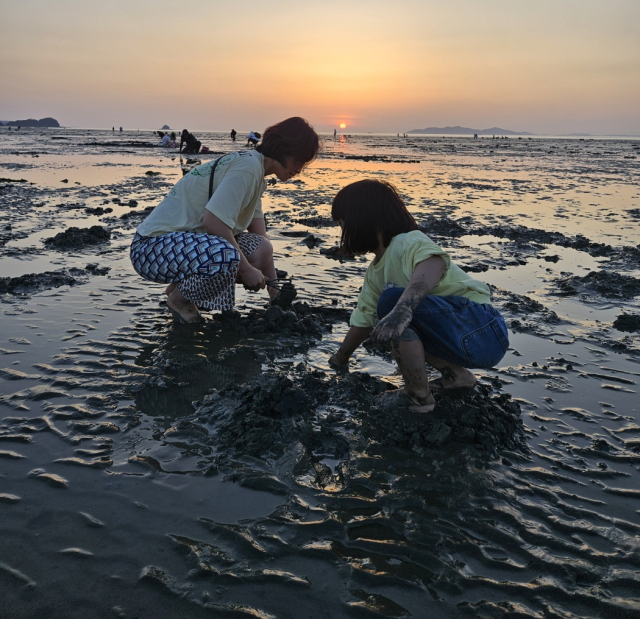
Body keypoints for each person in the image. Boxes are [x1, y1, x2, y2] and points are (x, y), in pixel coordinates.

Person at [328, 180, 508, 413]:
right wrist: (340, 358)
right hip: (458, 338)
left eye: (344, 226)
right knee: (393, 315)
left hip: (481, 326)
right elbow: (364, 321)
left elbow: (433, 263)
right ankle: (457, 377)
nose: (343, 235)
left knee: (392, 303)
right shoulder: (375, 273)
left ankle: (418, 394)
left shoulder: (408, 241)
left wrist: (403, 309)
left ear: (364, 219)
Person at [130, 117, 320, 323]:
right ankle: (180, 300)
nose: (299, 169)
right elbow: (213, 222)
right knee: (226, 256)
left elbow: (261, 241)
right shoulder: (247, 167)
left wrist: (275, 293)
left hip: (180, 248)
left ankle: (180, 288)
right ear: (285, 148)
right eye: (299, 160)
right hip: (150, 248)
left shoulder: (256, 173)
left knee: (261, 248)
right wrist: (246, 270)